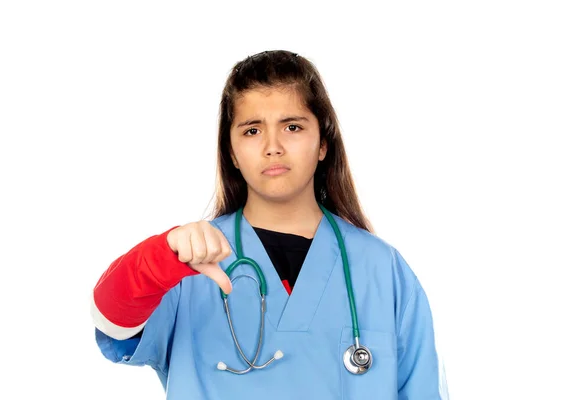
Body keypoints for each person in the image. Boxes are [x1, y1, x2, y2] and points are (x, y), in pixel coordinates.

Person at [90, 50, 449, 399]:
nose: (273, 147)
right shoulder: (188, 262)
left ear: (323, 143)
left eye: (292, 126)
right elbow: (111, 325)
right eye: (252, 131)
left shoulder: (382, 270)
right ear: (231, 151)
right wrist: (161, 257)